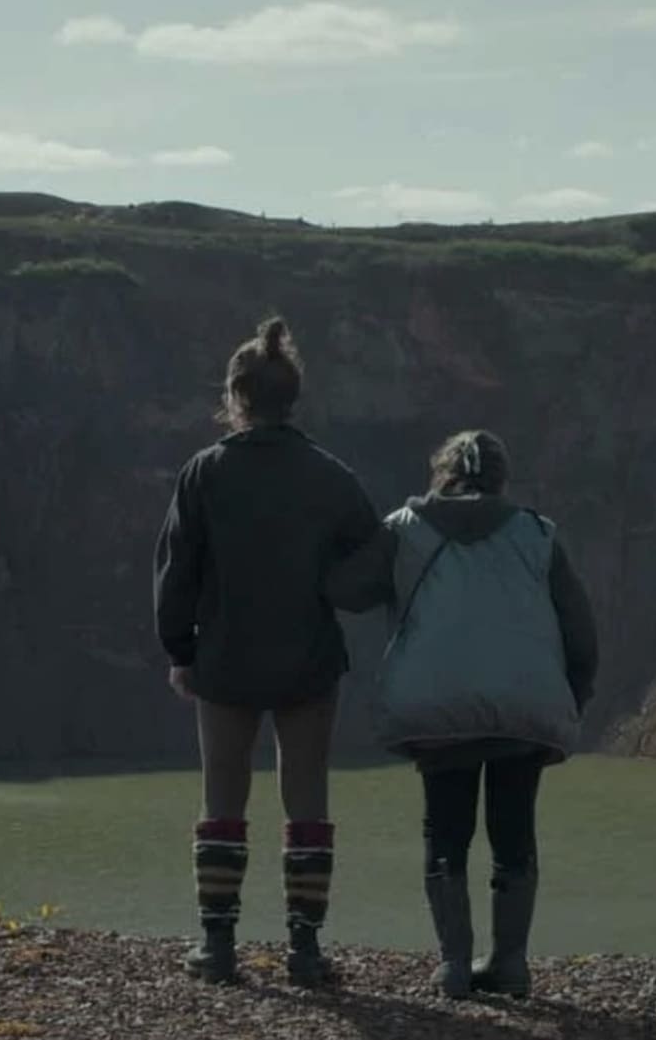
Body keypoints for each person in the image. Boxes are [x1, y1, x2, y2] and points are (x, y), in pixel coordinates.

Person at [326, 430, 597, 999]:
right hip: (523, 707)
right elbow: (580, 631)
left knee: (446, 832)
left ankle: (452, 967)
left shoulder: (403, 529)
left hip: (436, 706)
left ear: (441, 474)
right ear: (500, 477)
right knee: (513, 831)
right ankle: (512, 965)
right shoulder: (538, 534)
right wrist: (570, 696)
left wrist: (337, 537)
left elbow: (347, 591)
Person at [153, 316, 378, 987]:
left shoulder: (205, 473)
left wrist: (180, 648)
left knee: (223, 796)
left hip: (223, 658)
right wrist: (332, 589)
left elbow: (175, 569)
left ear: (236, 395)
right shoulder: (331, 477)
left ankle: (217, 946)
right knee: (306, 799)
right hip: (308, 659)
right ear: (293, 395)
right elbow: (372, 564)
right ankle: (305, 952)